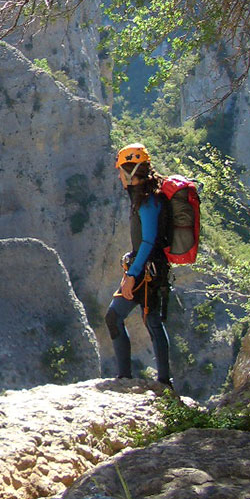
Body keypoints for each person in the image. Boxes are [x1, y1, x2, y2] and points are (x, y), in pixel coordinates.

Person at [106, 143, 174, 390]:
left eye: (121, 171)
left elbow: (148, 241)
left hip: (146, 272)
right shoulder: (146, 196)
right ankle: (162, 381)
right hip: (150, 269)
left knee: (117, 317)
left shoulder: (147, 201)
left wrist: (131, 276)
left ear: (131, 172)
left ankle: (127, 378)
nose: (118, 176)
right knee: (152, 322)